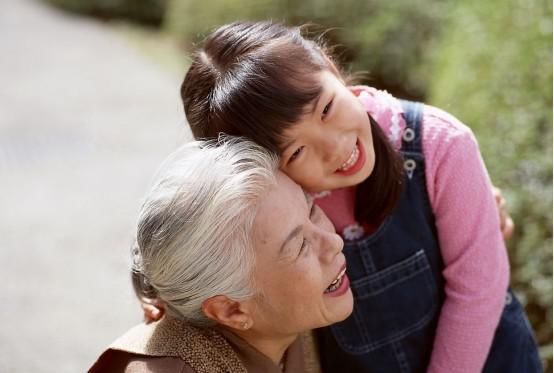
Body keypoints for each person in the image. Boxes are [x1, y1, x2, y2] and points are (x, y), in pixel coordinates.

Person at [169, 21, 541, 373]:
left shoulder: (440, 144)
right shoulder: (275, 202)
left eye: (326, 108)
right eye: (297, 152)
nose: (335, 147)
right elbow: (191, 226)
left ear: (330, 66)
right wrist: (160, 288)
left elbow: (479, 290)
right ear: (265, 169)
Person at [90, 137, 352, 372]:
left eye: (312, 211)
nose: (334, 242)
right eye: (301, 246)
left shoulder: (292, 319)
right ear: (230, 310)